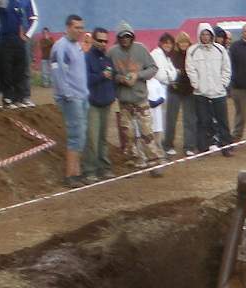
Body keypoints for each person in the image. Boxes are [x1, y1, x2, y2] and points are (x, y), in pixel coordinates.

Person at [108, 21, 168, 170]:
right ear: (118, 38)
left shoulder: (141, 49)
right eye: (122, 37)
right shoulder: (113, 52)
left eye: (128, 36)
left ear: (132, 36)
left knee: (147, 131)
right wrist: (119, 78)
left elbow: (153, 68)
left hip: (140, 98)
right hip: (124, 100)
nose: (125, 39)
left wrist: (138, 75)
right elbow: (109, 72)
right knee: (128, 133)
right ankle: (133, 159)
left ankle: (153, 159)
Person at [50, 14, 88, 187]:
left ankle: (77, 172)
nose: (80, 31)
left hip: (82, 96)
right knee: (75, 135)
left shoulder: (77, 46)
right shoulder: (61, 47)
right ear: (68, 27)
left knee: (81, 135)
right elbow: (58, 74)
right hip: (71, 98)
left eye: (81, 28)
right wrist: (67, 95)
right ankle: (70, 175)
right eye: (76, 27)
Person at [186, 23, 233, 156]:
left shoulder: (220, 49)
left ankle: (226, 147)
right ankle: (203, 147)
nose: (205, 37)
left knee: (223, 121)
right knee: (203, 121)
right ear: (199, 35)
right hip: (201, 93)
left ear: (212, 35)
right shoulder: (193, 50)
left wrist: (223, 83)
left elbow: (226, 68)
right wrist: (196, 84)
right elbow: (190, 69)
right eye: (203, 34)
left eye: (208, 34)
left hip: (219, 92)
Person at [82, 27, 115, 183]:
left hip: (106, 103)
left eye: (105, 41)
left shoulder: (108, 59)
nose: (103, 43)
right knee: (92, 139)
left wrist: (112, 95)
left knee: (103, 139)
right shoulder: (87, 58)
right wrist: (102, 75)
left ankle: (104, 168)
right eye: (100, 40)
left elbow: (112, 78)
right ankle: (89, 171)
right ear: (94, 40)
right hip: (93, 104)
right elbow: (86, 80)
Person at [165, 31, 197, 156]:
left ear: (189, 43)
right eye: (181, 42)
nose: (184, 44)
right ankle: (167, 144)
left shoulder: (193, 54)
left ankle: (189, 146)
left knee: (189, 119)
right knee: (171, 119)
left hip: (189, 90)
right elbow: (168, 71)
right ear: (177, 43)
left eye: (186, 42)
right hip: (174, 90)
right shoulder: (172, 55)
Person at [150, 32, 178, 155]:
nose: (168, 45)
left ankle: (159, 146)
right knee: (156, 121)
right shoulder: (156, 54)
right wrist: (170, 74)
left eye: (170, 43)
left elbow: (173, 74)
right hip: (155, 92)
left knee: (161, 120)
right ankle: (156, 148)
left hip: (163, 91)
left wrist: (170, 74)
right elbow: (161, 75)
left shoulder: (166, 57)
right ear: (161, 43)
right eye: (166, 43)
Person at [0, 0, 26, 109]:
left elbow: (20, 21)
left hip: (17, 38)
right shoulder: (1, 3)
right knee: (6, 70)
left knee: (19, 69)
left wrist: (22, 36)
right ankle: (7, 98)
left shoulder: (17, 3)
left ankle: (18, 98)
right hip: (4, 38)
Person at [15, 0, 38, 107]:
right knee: (10, 68)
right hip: (10, 37)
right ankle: (12, 98)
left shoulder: (29, 1)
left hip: (25, 38)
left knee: (25, 68)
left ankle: (25, 97)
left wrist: (27, 35)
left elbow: (35, 18)